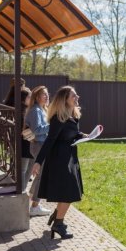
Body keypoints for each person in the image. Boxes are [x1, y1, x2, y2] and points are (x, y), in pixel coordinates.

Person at [31, 86, 88, 240]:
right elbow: (50, 141)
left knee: (69, 191)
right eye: (73, 96)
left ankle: (58, 215)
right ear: (64, 100)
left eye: (76, 96)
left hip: (70, 157)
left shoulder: (73, 115)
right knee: (69, 192)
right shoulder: (58, 118)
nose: (76, 98)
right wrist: (38, 162)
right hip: (59, 159)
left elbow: (73, 134)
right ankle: (58, 223)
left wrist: (84, 135)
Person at [24, 85, 52, 217]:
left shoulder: (41, 109)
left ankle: (33, 201)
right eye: (43, 94)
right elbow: (37, 130)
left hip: (41, 144)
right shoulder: (35, 111)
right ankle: (34, 206)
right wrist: (52, 125)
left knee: (41, 175)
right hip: (38, 145)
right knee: (41, 175)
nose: (46, 96)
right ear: (37, 97)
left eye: (47, 94)